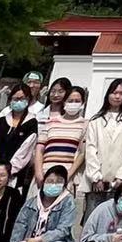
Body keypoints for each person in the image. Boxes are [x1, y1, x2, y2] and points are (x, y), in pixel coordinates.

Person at [35, 84, 88, 213]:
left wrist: (67, 176)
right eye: (70, 100)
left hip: (67, 178)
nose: (73, 104)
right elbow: (39, 149)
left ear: (82, 103)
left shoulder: (85, 124)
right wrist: (39, 173)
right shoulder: (51, 122)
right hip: (45, 174)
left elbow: (82, 153)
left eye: (77, 101)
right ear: (64, 102)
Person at [85, 78, 122, 205]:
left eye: (121, 93)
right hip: (97, 182)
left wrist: (121, 177)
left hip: (119, 183)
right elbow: (90, 149)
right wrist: (96, 177)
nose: (117, 96)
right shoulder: (96, 121)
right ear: (108, 95)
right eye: (114, 93)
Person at [0, 82, 38, 193]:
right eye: (16, 98)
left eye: (22, 99)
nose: (19, 101)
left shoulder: (31, 124)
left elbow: (24, 153)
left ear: (29, 100)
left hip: (13, 178)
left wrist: (6, 173)